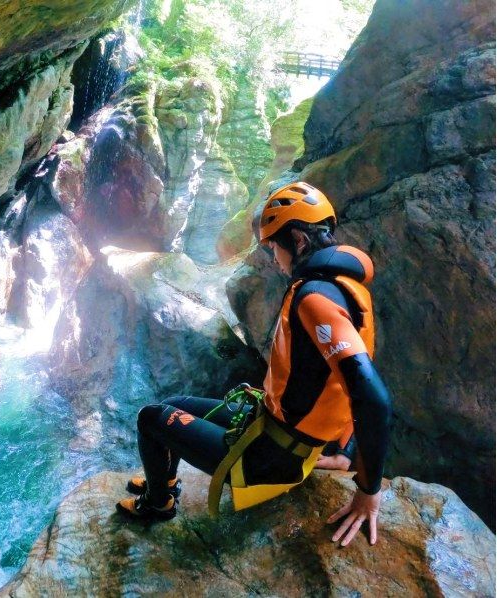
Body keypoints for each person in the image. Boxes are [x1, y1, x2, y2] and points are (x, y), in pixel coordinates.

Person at [116, 182, 392, 548]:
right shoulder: (346, 288)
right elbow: (345, 381)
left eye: (274, 246)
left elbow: (372, 398)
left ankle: (157, 504)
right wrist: (343, 451)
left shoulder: (314, 299)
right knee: (179, 404)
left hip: (271, 457)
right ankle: (162, 482)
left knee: (151, 418)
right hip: (272, 428)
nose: (274, 258)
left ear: (298, 240)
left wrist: (368, 489)